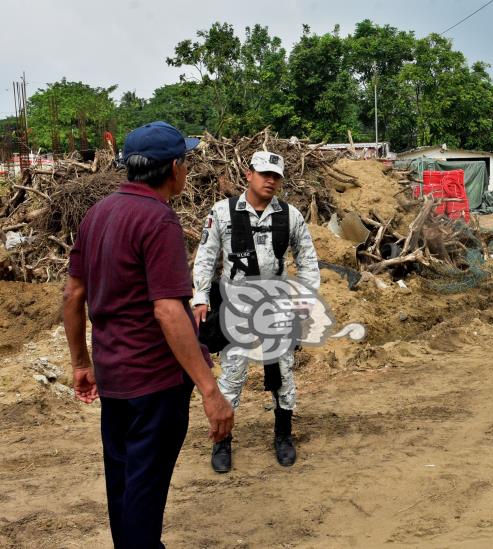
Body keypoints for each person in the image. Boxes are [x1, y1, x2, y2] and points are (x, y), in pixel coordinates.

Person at [63, 121, 234, 548]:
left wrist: (81, 363)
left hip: (114, 377)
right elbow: (167, 310)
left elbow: (72, 294)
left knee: (123, 482)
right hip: (154, 383)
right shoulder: (158, 219)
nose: (188, 170)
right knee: (144, 490)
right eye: (186, 161)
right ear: (174, 167)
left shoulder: (97, 214)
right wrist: (210, 390)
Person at [192, 151, 320, 472]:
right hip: (236, 304)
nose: (270, 181)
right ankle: (222, 441)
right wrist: (200, 297)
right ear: (249, 174)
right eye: (264, 174)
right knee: (233, 374)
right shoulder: (222, 213)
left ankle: (283, 435)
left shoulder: (290, 216)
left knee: (283, 375)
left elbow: (307, 258)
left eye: (276, 176)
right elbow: (206, 256)